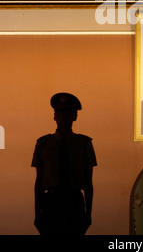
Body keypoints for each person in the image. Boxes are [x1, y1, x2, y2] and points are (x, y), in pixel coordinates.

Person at [32, 92, 97, 235]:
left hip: (73, 201)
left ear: (74, 116)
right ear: (54, 116)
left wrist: (88, 213)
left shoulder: (84, 144)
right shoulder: (43, 144)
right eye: (60, 112)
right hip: (51, 202)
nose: (63, 117)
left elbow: (88, 182)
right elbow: (39, 181)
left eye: (68, 113)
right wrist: (37, 213)